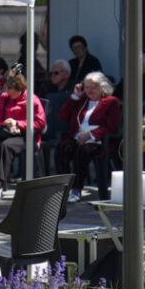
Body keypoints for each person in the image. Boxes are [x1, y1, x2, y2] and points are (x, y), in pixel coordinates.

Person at [56, 71, 121, 202]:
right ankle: (62, 188)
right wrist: (74, 97)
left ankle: (76, 189)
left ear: (102, 88)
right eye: (87, 87)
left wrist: (90, 135)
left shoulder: (111, 102)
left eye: (94, 87)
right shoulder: (81, 101)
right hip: (78, 138)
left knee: (83, 152)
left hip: (99, 141)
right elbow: (62, 117)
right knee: (63, 148)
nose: (89, 90)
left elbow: (112, 127)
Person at [0, 71, 47, 200]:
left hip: (26, 136)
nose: (7, 91)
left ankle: (0, 185)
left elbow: (40, 123)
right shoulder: (4, 98)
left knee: (6, 146)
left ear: (19, 87)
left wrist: (18, 124)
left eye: (10, 88)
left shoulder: (32, 100)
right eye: (6, 87)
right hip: (6, 132)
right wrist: (6, 124)